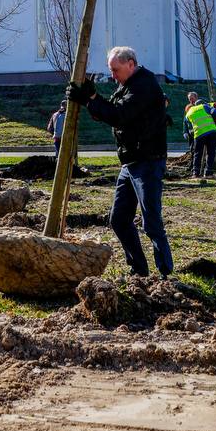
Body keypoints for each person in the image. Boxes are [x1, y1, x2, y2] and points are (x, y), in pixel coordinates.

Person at [67, 46, 173, 278]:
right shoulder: (126, 86)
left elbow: (119, 115)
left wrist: (92, 100)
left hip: (148, 160)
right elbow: (111, 111)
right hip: (130, 162)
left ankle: (165, 273)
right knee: (119, 219)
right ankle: (139, 270)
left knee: (151, 220)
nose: (113, 75)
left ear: (131, 64)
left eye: (116, 70)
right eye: (111, 70)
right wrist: (90, 98)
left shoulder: (144, 85)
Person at [184, 91, 216, 178]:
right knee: (211, 153)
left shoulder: (188, 113)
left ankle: (195, 173)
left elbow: (188, 125)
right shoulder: (204, 106)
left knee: (197, 154)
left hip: (199, 134)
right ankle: (208, 173)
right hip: (212, 132)